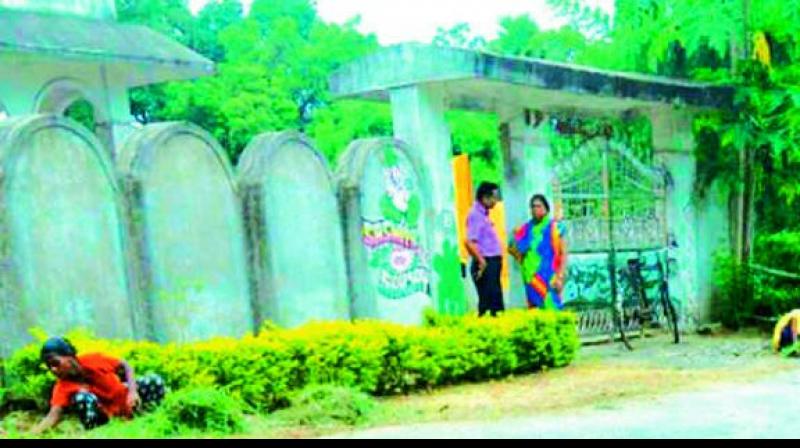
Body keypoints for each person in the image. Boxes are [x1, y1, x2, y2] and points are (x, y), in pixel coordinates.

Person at [31, 337, 165, 434]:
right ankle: (97, 433)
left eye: (56, 363)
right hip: (106, 419)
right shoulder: (62, 387)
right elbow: (53, 416)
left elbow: (125, 365)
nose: (53, 370)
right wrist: (28, 436)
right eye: (49, 367)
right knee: (80, 398)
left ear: (69, 356)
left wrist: (133, 392)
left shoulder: (94, 360)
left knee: (154, 380)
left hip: (127, 403)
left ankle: (153, 416)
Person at [508, 194, 568, 310]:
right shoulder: (526, 229)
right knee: (536, 313)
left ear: (546, 208)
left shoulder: (556, 228)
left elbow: (564, 253)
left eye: (539, 206)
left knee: (553, 309)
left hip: (551, 277)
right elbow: (511, 247)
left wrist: (560, 276)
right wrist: (521, 260)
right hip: (531, 278)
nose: (535, 209)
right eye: (533, 207)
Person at [465, 182, 505, 317]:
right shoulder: (475, 215)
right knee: (489, 304)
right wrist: (482, 262)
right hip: (486, 262)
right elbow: (469, 242)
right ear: (485, 198)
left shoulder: (484, 215)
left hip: (491, 261)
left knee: (495, 302)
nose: (496, 201)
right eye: (494, 197)